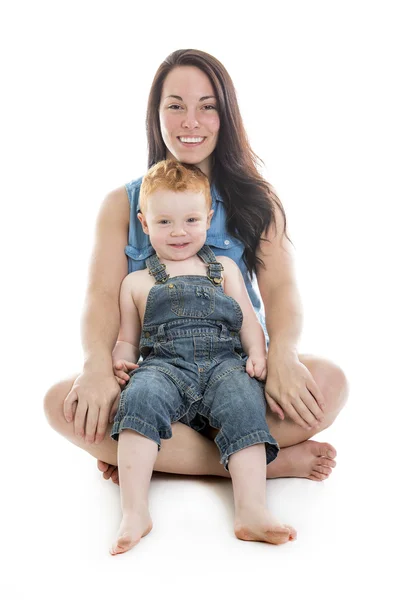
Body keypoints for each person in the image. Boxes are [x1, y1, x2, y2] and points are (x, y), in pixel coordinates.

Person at [44, 48, 348, 491]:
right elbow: (99, 296)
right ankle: (265, 462)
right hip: (160, 376)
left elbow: (282, 290)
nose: (191, 121)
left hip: (240, 373)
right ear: (157, 114)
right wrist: (96, 367)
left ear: (226, 116)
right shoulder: (122, 204)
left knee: (331, 383)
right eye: (176, 106)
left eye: (207, 107)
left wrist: (281, 354)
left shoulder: (256, 200)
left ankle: (154, 456)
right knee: (60, 404)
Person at [109, 159, 296, 554]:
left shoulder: (224, 267)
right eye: (164, 223)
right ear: (144, 224)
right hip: (164, 367)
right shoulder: (136, 281)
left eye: (191, 220)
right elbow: (128, 339)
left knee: (244, 401)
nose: (179, 232)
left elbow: (247, 319)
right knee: (138, 400)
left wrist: (259, 354)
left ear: (209, 218)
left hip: (223, 364)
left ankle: (251, 510)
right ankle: (134, 510)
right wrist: (120, 361)